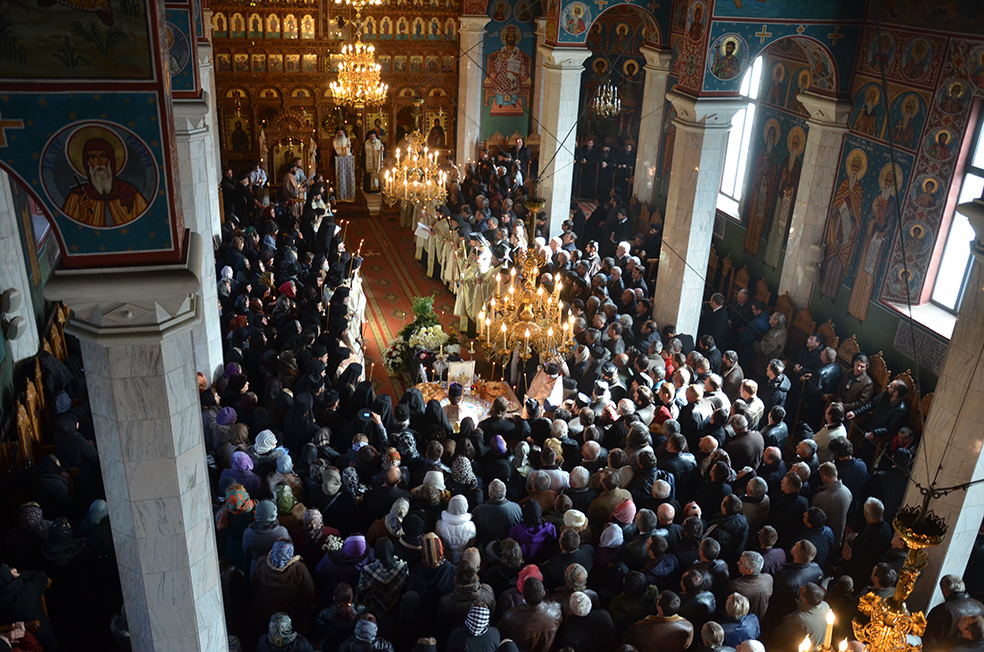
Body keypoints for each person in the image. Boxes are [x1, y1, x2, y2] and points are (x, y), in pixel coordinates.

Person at [333, 129, 356, 201]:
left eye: (341, 132)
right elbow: (336, 153)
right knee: (340, 178)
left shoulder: (347, 140)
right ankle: (341, 195)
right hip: (338, 162)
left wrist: (349, 147)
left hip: (348, 162)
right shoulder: (335, 141)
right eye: (339, 132)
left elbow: (349, 152)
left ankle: (350, 195)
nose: (340, 133)